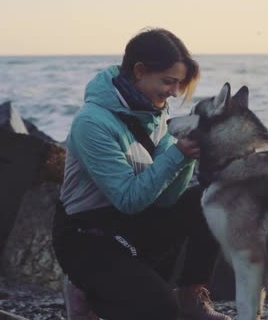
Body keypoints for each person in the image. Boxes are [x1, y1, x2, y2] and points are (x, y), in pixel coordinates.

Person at [52, 28, 231, 320]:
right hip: (87, 236)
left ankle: (190, 294)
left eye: (179, 84)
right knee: (159, 311)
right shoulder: (91, 123)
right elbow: (128, 199)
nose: (174, 92)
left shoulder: (154, 112)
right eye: (168, 82)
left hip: (133, 224)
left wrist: (188, 156)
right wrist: (178, 154)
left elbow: (166, 199)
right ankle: (83, 288)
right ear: (139, 71)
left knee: (210, 198)